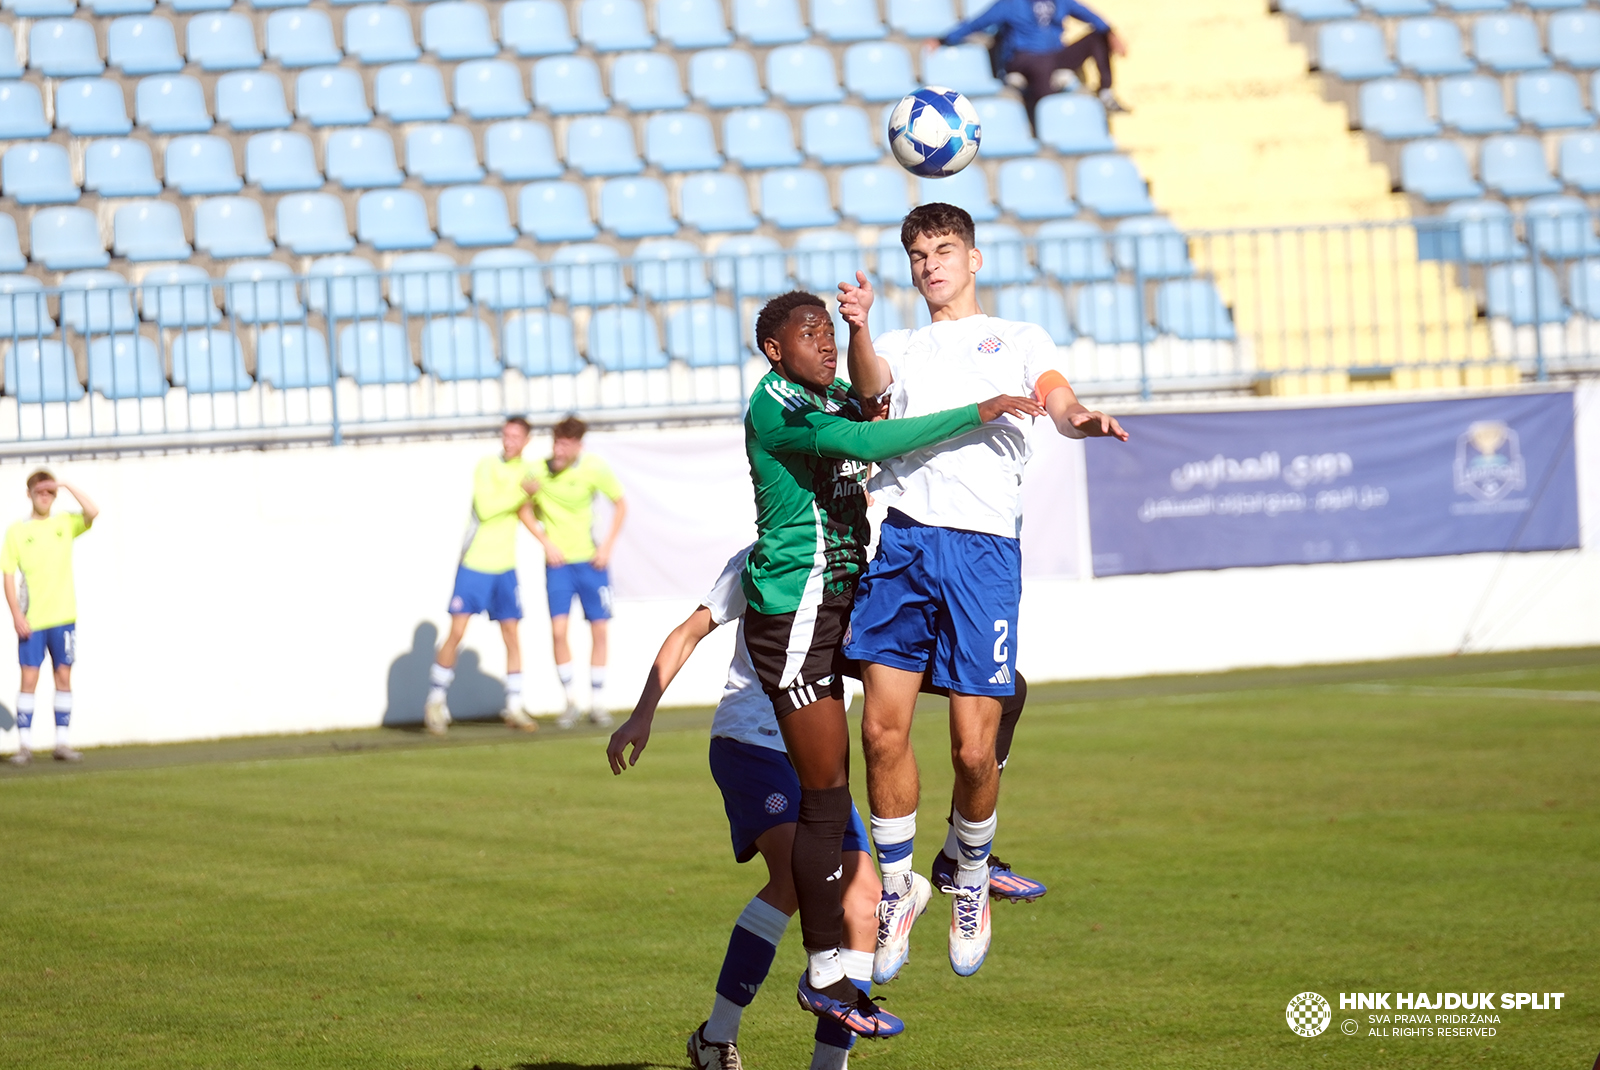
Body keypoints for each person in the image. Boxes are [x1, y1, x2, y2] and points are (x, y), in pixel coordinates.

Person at [739, 289, 1044, 1035]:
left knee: (999, 691)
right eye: (809, 335)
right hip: (799, 622)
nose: (825, 344)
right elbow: (876, 445)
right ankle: (824, 976)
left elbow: (872, 403)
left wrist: (861, 327)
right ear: (776, 350)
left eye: (826, 332)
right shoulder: (780, 408)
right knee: (825, 796)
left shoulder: (829, 390)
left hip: (846, 599)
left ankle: (962, 856)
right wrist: (981, 409)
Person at [837, 203, 1128, 981]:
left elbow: (1057, 396)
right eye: (918, 254)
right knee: (881, 733)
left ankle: (968, 872)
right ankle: (898, 889)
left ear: (974, 258)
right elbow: (872, 386)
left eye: (943, 250)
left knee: (974, 749)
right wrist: (859, 326)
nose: (930, 264)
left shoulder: (1020, 338)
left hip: (982, 554)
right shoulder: (900, 342)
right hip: (902, 542)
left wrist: (1079, 417)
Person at [607, 546, 888, 1070]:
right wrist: (641, 714)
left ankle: (827, 1065)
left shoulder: (864, 564)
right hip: (751, 741)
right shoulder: (766, 555)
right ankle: (717, 1038)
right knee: (794, 875)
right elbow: (690, 629)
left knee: (864, 901)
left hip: (818, 758)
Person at [424, 416, 542, 736]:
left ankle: (514, 705)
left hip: (505, 566)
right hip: (475, 562)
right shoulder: (487, 466)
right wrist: (522, 493)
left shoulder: (530, 471)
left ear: (527, 440)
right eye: (506, 435)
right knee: (458, 631)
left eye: (516, 436)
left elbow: (532, 509)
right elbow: (487, 507)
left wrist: (547, 539)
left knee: (512, 635)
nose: (509, 440)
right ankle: (435, 700)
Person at [526, 415, 627, 729]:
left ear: (578, 446)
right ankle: (570, 701)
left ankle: (597, 702)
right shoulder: (537, 471)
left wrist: (607, 546)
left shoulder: (593, 468)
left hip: (591, 563)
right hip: (558, 566)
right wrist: (545, 541)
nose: (558, 449)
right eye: (556, 441)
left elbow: (620, 504)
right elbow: (523, 506)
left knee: (599, 629)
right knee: (558, 630)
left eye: (565, 443)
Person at [2, 470, 97, 765]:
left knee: (63, 676)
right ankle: (25, 746)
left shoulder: (65, 523)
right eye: (40, 491)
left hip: (64, 617)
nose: (45, 497)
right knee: (29, 677)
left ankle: (62, 743)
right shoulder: (17, 531)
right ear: (29, 493)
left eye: (50, 492)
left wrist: (66, 484)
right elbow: (8, 574)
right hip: (33, 620)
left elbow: (93, 511)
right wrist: (17, 614)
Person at [937, 0, 1130, 126]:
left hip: (1056, 56)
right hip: (1024, 58)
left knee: (1098, 37)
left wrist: (1110, 32)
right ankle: (1047, 125)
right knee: (1041, 66)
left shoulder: (1060, 1)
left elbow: (1090, 16)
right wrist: (943, 40)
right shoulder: (1010, 3)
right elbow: (977, 23)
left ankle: (1105, 93)